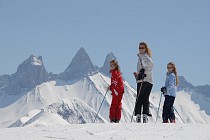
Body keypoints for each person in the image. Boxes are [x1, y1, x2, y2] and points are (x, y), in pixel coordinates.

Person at [133, 42, 154, 123]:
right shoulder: (143, 57)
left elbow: (151, 65)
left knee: (139, 98)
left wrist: (144, 73)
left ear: (146, 49)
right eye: (140, 48)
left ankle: (138, 115)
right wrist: (138, 75)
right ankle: (145, 115)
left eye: (142, 48)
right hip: (148, 80)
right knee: (145, 98)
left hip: (144, 80)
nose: (141, 49)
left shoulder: (144, 57)